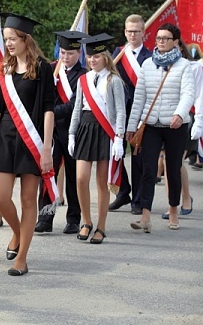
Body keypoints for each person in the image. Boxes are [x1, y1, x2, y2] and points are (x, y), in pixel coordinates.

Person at [0, 13, 55, 276]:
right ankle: (17, 233)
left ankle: (22, 257)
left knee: (28, 200)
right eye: (6, 40)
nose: (9, 44)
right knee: (1, 197)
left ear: (26, 39)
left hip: (33, 141)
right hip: (5, 138)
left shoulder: (43, 68)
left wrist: (47, 148)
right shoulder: (5, 68)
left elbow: (49, 108)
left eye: (13, 39)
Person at [127, 23, 194, 232]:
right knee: (148, 169)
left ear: (175, 41)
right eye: (158, 38)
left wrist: (179, 114)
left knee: (173, 169)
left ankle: (173, 210)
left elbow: (188, 94)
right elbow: (139, 97)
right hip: (151, 126)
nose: (161, 42)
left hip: (175, 125)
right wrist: (131, 126)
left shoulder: (184, 66)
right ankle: (145, 216)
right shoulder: (148, 64)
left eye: (165, 38)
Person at [68, 34, 126, 244]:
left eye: (97, 56)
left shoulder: (114, 80)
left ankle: (101, 226)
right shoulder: (83, 80)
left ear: (105, 57)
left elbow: (120, 112)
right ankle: (86, 221)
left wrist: (119, 138)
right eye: (90, 56)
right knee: (81, 178)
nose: (92, 60)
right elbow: (76, 109)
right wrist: (72, 133)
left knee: (102, 182)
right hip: (85, 127)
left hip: (105, 131)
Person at [35, 30, 88, 234]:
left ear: (78, 53)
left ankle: (73, 218)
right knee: (48, 173)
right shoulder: (51, 70)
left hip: (74, 131)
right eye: (63, 53)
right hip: (53, 131)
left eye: (70, 54)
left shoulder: (82, 75)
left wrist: (47, 112)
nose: (66, 57)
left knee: (74, 176)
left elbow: (74, 105)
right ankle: (45, 217)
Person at [108, 15, 153, 215]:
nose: (132, 35)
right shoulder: (117, 54)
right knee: (115, 154)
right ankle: (123, 191)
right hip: (119, 111)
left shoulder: (151, 57)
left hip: (141, 112)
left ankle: (138, 200)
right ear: (124, 32)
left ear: (143, 32)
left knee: (138, 157)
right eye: (129, 31)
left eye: (136, 31)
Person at [160, 38, 200, 219]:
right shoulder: (159, 65)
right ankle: (177, 201)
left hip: (187, 117)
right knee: (170, 160)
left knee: (174, 161)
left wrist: (199, 121)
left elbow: (199, 95)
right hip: (165, 118)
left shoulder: (193, 67)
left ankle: (181, 200)